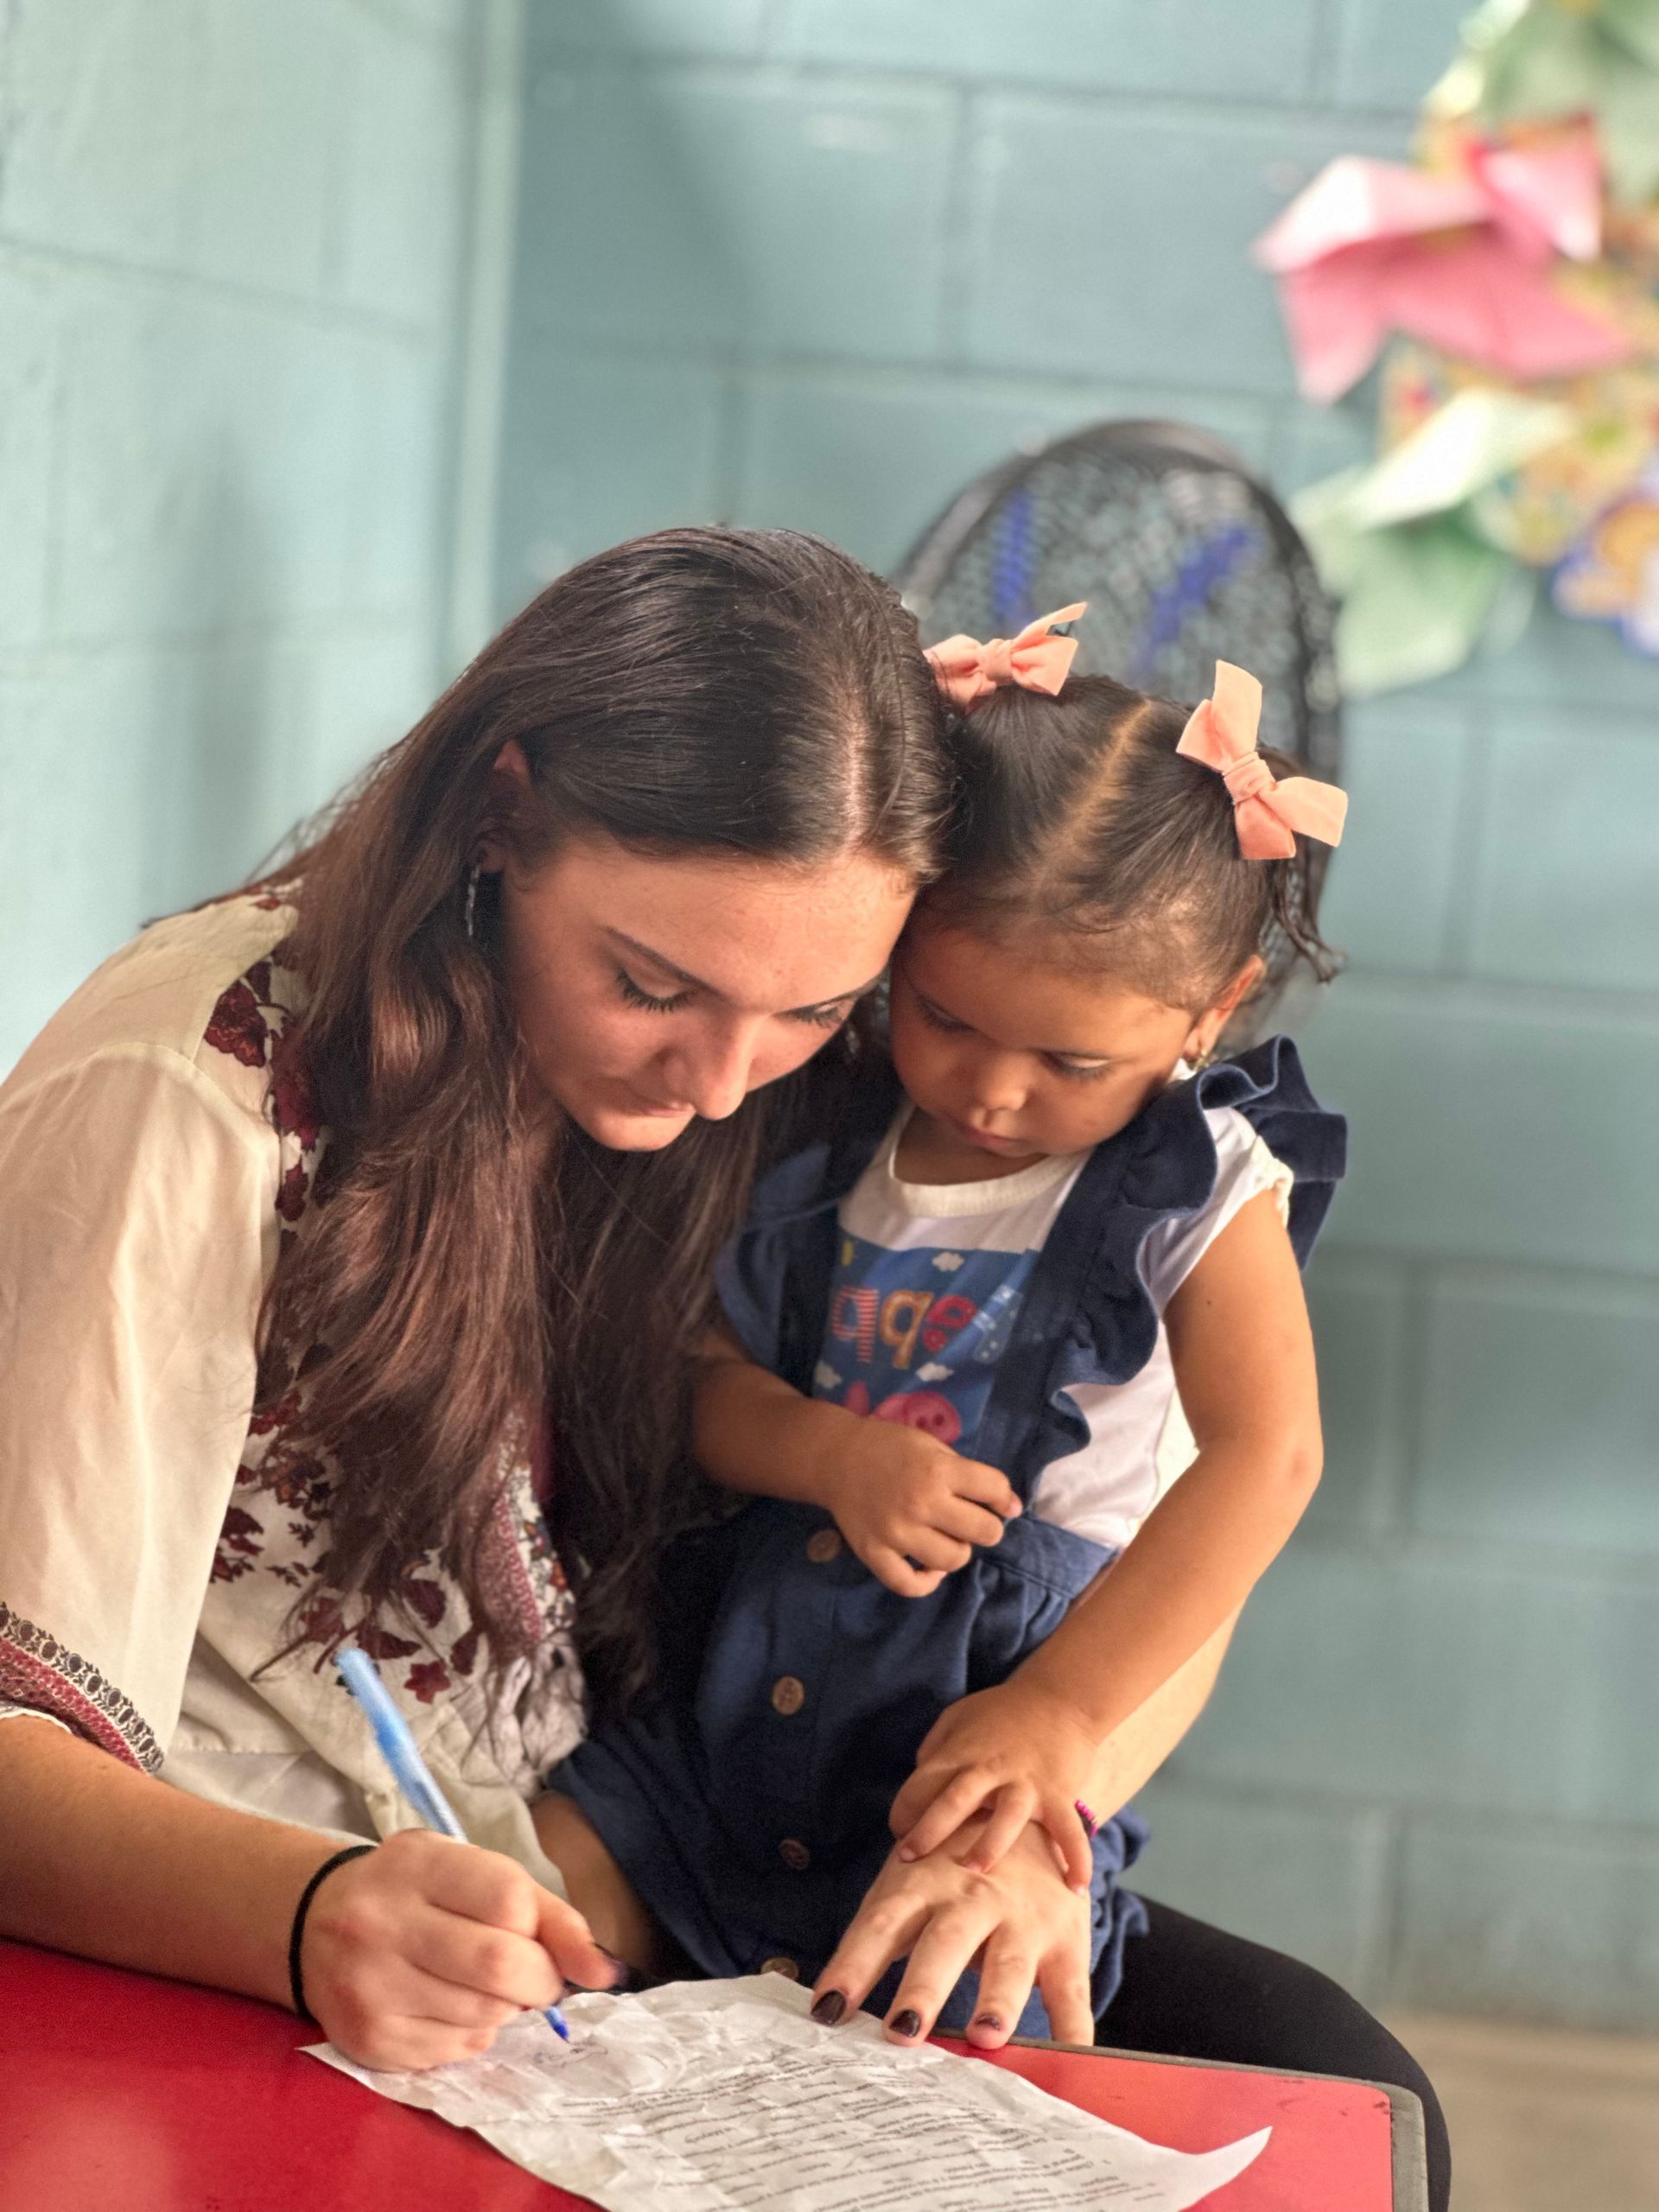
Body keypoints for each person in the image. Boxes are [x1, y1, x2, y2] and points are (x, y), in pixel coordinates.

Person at [0, 526, 951, 2072]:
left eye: (811, 1011)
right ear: (501, 811)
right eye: (651, 986)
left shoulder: (733, 1082)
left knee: (1333, 2070)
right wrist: (310, 1915)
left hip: (576, 1912)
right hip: (258, 1978)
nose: (718, 1085)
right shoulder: (192, 1099)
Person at [545, 614, 1451, 2208]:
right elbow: (690, 1382)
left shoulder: (1194, 1183)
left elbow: (1270, 1456)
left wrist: (1060, 1721)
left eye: (1069, 1059)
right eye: (944, 1015)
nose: (989, 1091)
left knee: (915, 2114)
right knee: (514, 1923)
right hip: (723, 1701)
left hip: (974, 1731)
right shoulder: (818, 1121)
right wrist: (821, 1451)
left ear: (1210, 1012)